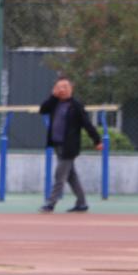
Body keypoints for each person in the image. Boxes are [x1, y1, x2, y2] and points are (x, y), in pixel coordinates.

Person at [39, 77, 103, 213]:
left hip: (69, 147)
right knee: (71, 176)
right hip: (57, 145)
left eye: (65, 87)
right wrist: (52, 96)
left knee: (59, 175)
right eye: (59, 87)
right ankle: (82, 203)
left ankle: (50, 203)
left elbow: (87, 124)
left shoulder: (76, 106)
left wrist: (97, 140)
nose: (62, 90)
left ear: (71, 89)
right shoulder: (54, 103)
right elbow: (43, 110)